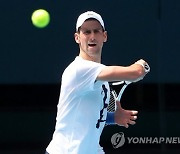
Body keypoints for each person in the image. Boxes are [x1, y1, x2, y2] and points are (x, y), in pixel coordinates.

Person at [46, 11, 150, 154]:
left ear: (104, 36)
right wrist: (142, 65)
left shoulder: (101, 79)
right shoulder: (79, 69)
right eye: (86, 32)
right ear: (77, 38)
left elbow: (90, 117)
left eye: (96, 31)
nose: (92, 36)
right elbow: (136, 73)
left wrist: (113, 118)